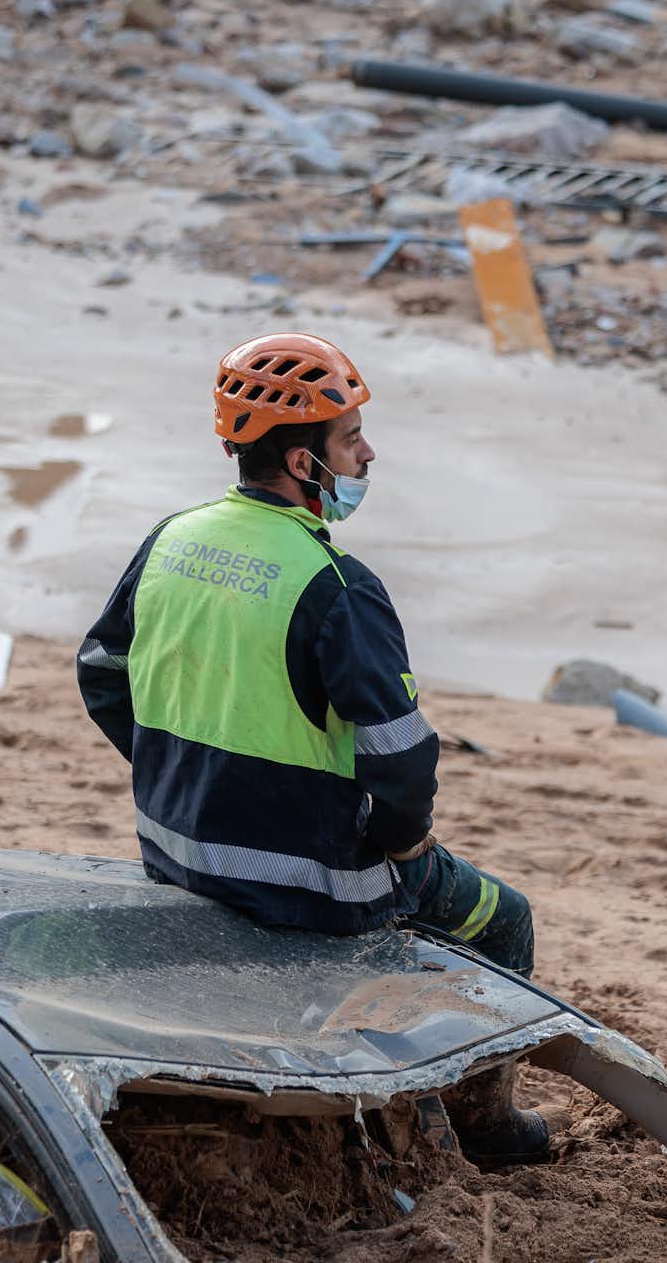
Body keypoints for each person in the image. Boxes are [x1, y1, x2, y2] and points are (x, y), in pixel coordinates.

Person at [75, 332, 549, 1166]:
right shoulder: (335, 586)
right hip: (312, 883)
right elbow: (401, 763)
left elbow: (101, 672)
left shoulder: (172, 540)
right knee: (504, 920)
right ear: (303, 464)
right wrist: (403, 843)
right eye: (350, 439)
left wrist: (178, 773)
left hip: (175, 850)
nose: (368, 453)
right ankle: (488, 1132)